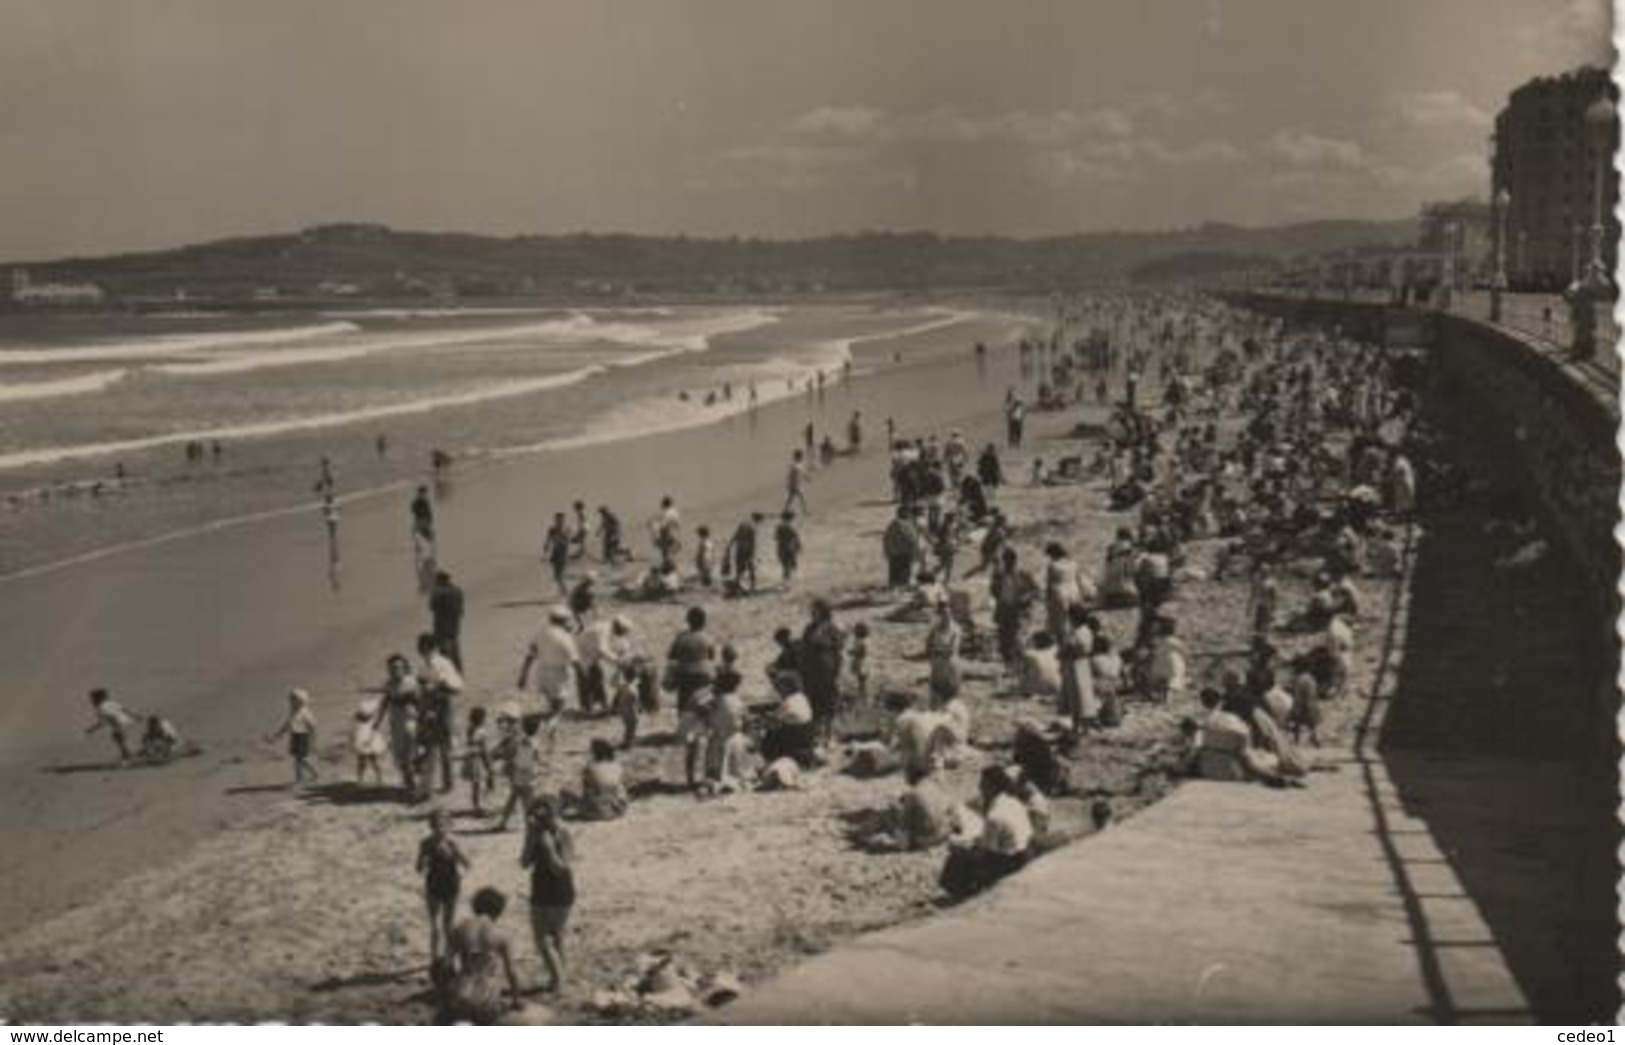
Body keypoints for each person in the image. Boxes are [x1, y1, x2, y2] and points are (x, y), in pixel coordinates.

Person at [441, 887, 525, 1025]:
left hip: (461, 995)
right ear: (498, 911)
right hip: (486, 998)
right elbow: (512, 973)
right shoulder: (502, 934)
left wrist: (444, 998)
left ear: (475, 907)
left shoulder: (459, 928)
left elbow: (446, 966)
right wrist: (517, 1001)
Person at [520, 794, 575, 995]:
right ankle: (559, 978)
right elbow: (524, 862)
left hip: (560, 888)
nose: (543, 818)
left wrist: (549, 848)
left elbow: (562, 868)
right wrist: (530, 838)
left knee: (545, 939)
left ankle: (559, 982)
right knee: (551, 938)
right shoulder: (536, 832)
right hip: (540, 887)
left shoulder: (563, 832)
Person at [665, 606, 716, 790]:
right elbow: (711, 656)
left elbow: (671, 657)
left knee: (685, 708)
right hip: (704, 677)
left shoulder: (681, 638)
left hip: (686, 677)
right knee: (704, 710)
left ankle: (686, 736)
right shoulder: (708, 637)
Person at [418, 808, 471, 970]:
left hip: (450, 884)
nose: (439, 828)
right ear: (431, 825)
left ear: (449, 825)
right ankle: (434, 959)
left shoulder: (453, 843)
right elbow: (418, 868)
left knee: (448, 924)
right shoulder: (426, 843)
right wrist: (423, 862)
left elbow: (467, 864)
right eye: (436, 825)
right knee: (435, 925)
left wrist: (460, 870)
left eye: (443, 825)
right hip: (433, 883)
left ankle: (449, 958)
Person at [418, 634, 463, 794]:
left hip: (443, 706)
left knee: (445, 745)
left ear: (435, 648)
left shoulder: (444, 663)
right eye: (423, 649)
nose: (425, 652)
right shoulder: (423, 665)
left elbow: (457, 686)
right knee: (429, 746)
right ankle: (429, 785)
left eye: (428, 648)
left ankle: (448, 783)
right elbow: (421, 684)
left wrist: (437, 687)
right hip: (429, 706)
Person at [518, 607, 579, 716]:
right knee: (558, 710)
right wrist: (583, 677)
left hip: (542, 673)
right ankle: (551, 730)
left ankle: (547, 727)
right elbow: (575, 661)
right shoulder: (566, 637)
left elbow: (529, 657)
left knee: (549, 707)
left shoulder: (540, 633)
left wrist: (523, 677)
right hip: (559, 675)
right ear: (564, 621)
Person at [375, 654, 422, 794]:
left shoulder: (412, 682)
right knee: (400, 756)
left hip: (411, 720)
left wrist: (424, 717)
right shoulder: (388, 684)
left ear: (404, 667)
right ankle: (410, 784)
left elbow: (420, 701)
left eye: (398, 667)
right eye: (392, 668)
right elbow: (385, 702)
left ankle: (414, 784)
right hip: (396, 723)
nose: (395, 670)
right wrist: (377, 721)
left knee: (410, 754)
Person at [801, 599, 844, 745]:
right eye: (811, 610)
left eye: (815, 610)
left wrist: (837, 672)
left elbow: (838, 650)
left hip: (827, 672)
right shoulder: (808, 628)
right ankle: (817, 735)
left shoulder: (832, 628)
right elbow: (804, 649)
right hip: (812, 674)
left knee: (829, 704)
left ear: (823, 611)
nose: (812, 613)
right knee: (814, 704)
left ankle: (829, 734)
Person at [268, 688, 321, 785]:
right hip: (295, 736)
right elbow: (287, 725)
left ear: (301, 702)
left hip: (303, 737)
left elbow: (313, 726)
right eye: (290, 700)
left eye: (293, 700)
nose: (290, 702)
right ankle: (312, 774)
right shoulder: (293, 712)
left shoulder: (305, 713)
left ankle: (301, 778)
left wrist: (312, 741)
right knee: (299, 759)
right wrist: (277, 736)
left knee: (299, 760)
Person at [577, 738, 628, 821]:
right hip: (618, 811)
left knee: (565, 792)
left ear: (595, 753)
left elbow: (585, 789)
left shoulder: (590, 768)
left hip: (595, 812)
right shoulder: (617, 766)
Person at [84, 688, 137, 765]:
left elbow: (102, 722)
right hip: (126, 721)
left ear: (99, 699)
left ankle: (128, 757)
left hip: (118, 724)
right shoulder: (111, 702)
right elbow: (124, 709)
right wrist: (135, 716)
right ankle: (126, 755)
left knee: (120, 739)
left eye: (93, 699)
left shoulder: (101, 708)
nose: (92, 702)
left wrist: (91, 729)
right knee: (119, 739)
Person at [924, 598, 962, 702]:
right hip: (937, 667)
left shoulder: (955, 630)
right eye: (943, 613)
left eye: (947, 613)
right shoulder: (934, 629)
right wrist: (934, 651)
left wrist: (937, 650)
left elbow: (952, 650)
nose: (946, 616)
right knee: (936, 697)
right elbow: (928, 647)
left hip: (950, 667)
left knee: (951, 697)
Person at [462, 706, 496, 816]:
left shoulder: (470, 729)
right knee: (480, 784)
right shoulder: (482, 732)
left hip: (470, 759)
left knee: (475, 785)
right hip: (478, 760)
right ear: (482, 719)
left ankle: (476, 806)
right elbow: (484, 750)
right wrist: (489, 765)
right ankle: (479, 808)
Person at [429, 571, 466, 670]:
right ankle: (459, 674)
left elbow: (432, 607)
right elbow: (461, 610)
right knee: (455, 654)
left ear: (440, 580)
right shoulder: (458, 590)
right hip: (454, 627)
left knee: (445, 655)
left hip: (441, 629)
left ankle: (450, 676)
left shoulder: (437, 593)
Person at [724, 513, 763, 595]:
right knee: (751, 568)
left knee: (740, 567)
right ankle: (752, 586)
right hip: (747, 550)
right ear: (759, 520)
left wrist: (730, 545)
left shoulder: (743, 524)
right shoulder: (754, 527)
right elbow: (753, 542)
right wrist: (754, 555)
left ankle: (737, 583)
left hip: (739, 548)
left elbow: (735, 535)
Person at [882, 506, 921, 588]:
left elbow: (913, 539)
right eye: (907, 513)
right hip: (898, 553)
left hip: (904, 553)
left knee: (904, 572)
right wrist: (888, 551)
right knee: (897, 572)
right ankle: (896, 587)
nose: (909, 514)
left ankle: (900, 587)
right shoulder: (896, 524)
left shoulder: (907, 523)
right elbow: (888, 539)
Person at [352, 699, 386, 784]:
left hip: (366, 743)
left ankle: (362, 779)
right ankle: (378, 778)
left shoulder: (359, 722)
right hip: (369, 743)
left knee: (363, 762)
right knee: (372, 761)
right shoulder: (371, 722)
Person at [542, 513, 572, 597]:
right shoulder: (552, 530)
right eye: (558, 519)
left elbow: (567, 543)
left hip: (563, 555)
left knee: (559, 575)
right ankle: (563, 591)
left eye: (561, 519)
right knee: (556, 576)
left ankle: (564, 592)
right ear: (555, 520)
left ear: (563, 520)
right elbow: (547, 542)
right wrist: (545, 554)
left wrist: (559, 538)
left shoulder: (567, 529)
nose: (559, 521)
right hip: (555, 555)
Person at [651, 496, 682, 569]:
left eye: (662, 504)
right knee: (670, 550)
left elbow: (663, 525)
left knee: (665, 551)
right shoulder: (675, 511)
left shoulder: (666, 513)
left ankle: (669, 566)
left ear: (664, 504)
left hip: (667, 534)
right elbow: (678, 524)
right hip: (675, 533)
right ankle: (670, 565)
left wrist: (655, 527)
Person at [775, 512, 802, 583]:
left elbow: (776, 538)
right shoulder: (790, 528)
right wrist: (798, 547)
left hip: (781, 548)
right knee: (790, 565)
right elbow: (795, 538)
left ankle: (786, 581)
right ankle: (789, 581)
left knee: (785, 566)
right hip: (789, 548)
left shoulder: (779, 527)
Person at [411, 485, 436, 559]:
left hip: (423, 520)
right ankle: (420, 547)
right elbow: (413, 509)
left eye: (424, 493)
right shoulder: (419, 501)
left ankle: (430, 549)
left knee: (423, 533)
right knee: (418, 533)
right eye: (423, 493)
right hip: (420, 519)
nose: (424, 495)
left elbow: (429, 512)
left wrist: (430, 519)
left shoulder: (422, 501)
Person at [849, 621, 871, 705]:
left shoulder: (862, 642)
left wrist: (853, 652)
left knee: (862, 680)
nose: (854, 632)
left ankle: (864, 697)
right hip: (862, 661)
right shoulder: (862, 640)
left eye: (856, 630)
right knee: (861, 680)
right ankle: (862, 696)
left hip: (862, 662)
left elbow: (862, 652)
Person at [785, 449, 810, 515]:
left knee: (791, 498)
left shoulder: (799, 465)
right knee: (802, 498)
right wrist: (790, 483)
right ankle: (805, 511)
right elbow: (790, 475)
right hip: (795, 485)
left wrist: (807, 478)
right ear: (798, 457)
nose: (802, 457)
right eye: (801, 456)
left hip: (796, 484)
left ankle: (785, 510)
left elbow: (803, 473)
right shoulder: (794, 465)